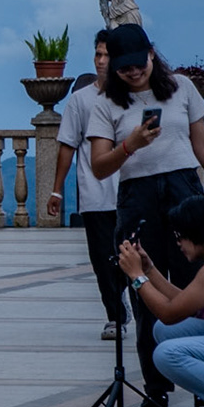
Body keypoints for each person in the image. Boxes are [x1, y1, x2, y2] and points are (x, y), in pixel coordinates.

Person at [87, 23, 204, 407]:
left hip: (183, 188)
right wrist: (129, 145)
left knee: (198, 284)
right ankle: (157, 388)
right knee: (144, 291)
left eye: (139, 64)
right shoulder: (106, 104)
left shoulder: (181, 87)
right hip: (137, 194)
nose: (134, 73)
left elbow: (202, 144)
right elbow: (100, 167)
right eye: (125, 69)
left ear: (152, 54)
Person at [117, 193, 204, 407]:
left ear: (199, 232)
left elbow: (168, 311)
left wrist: (136, 277)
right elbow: (184, 305)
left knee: (167, 354)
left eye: (180, 236)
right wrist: (150, 270)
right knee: (166, 331)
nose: (178, 243)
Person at [47, 32, 125, 339]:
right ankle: (115, 315)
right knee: (102, 259)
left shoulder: (135, 97)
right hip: (94, 193)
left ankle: (142, 308)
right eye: (98, 55)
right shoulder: (80, 100)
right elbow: (67, 145)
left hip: (131, 191)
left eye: (107, 55)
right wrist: (57, 189)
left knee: (135, 255)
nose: (102, 61)